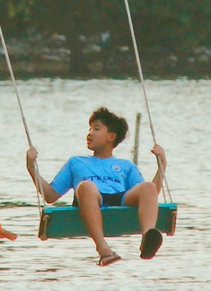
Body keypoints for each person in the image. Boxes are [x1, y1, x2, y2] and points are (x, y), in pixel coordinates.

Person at [25, 106, 168, 266]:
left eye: (96, 129)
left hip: (118, 197)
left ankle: (148, 237)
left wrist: (162, 164)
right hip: (89, 197)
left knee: (148, 187)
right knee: (86, 186)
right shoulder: (76, 162)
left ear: (111, 136)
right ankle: (103, 249)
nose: (90, 133)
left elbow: (149, 197)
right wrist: (32, 168)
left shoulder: (126, 166)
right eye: (90, 129)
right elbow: (50, 196)